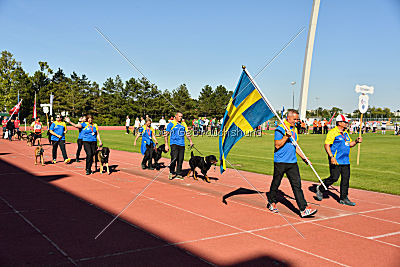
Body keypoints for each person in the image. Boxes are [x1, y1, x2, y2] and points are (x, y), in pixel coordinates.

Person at [267, 110, 317, 218]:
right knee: (276, 183)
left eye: (297, 119)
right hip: (280, 162)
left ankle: (303, 209)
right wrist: (286, 136)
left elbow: (296, 146)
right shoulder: (280, 129)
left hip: (292, 163)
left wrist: (304, 158)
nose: (296, 121)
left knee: (297, 186)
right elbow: (277, 145)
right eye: (294, 119)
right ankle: (271, 202)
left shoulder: (294, 130)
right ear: (288, 118)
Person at [315, 114, 362, 206]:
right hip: (335, 159)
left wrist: (356, 141)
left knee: (346, 179)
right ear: (339, 123)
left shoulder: (345, 133)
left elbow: (349, 144)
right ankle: (320, 188)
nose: (347, 123)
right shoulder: (333, 132)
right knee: (334, 178)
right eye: (345, 122)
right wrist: (331, 157)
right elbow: (327, 145)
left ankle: (344, 198)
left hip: (345, 160)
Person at [164, 111, 193, 180]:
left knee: (180, 160)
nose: (180, 118)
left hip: (182, 144)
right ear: (176, 116)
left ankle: (178, 174)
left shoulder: (183, 124)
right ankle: (171, 172)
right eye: (179, 116)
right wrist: (166, 145)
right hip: (174, 144)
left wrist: (191, 141)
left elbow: (187, 133)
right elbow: (166, 134)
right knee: (174, 158)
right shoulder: (171, 124)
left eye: (181, 116)